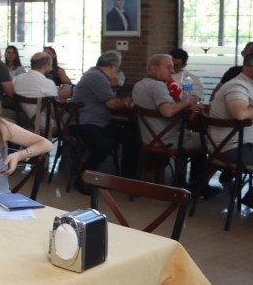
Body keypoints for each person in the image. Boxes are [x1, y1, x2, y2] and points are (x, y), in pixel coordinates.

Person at [131, 54, 205, 187]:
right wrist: (189, 102)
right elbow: (168, 111)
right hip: (167, 140)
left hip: (147, 138)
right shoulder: (158, 86)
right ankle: (197, 186)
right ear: (153, 69)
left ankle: (180, 179)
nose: (172, 71)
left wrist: (183, 106)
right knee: (204, 141)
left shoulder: (139, 84)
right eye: (168, 67)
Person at [71, 52, 138, 193]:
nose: (117, 73)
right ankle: (82, 181)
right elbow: (112, 104)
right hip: (84, 123)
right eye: (117, 69)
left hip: (97, 122)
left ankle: (127, 179)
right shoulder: (97, 77)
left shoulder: (93, 74)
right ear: (112, 66)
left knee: (131, 137)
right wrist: (127, 101)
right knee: (103, 147)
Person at [209, 52, 253, 206]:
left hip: (238, 144)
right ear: (246, 68)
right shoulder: (237, 85)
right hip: (231, 147)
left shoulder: (248, 85)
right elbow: (240, 113)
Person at [14, 52, 72, 131]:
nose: (51, 68)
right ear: (46, 66)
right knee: (72, 116)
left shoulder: (19, 79)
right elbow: (56, 115)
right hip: (47, 126)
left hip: (27, 123)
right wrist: (63, 98)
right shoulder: (47, 83)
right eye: (50, 66)